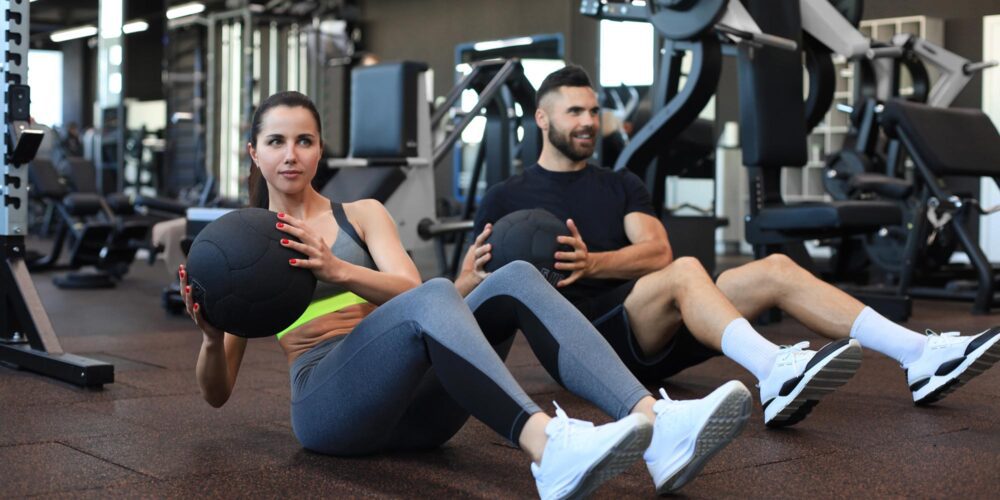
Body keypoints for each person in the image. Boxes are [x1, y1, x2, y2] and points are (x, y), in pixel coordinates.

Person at [179, 90, 753, 498]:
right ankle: (548, 449)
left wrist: (337, 270)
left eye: (304, 140)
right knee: (433, 296)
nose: (291, 154)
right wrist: (210, 339)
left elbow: (410, 291)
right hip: (332, 411)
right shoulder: (246, 245)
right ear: (254, 152)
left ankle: (659, 423)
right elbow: (217, 394)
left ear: (320, 150)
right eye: (276, 141)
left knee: (516, 277)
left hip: (421, 413)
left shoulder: (362, 215)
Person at [462, 65, 1000, 427]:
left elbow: (656, 253)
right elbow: (470, 288)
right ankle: (773, 371)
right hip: (582, 344)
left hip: (649, 321)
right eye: (574, 112)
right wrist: (469, 276)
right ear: (542, 119)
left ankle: (919, 355)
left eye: (592, 111)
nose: (587, 122)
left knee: (773, 268)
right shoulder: (506, 197)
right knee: (688, 271)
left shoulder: (619, 183)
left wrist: (594, 260)